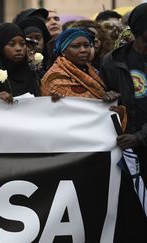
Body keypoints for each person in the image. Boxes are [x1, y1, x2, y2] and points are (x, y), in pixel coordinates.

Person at [100, 5, 147, 241]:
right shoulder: (113, 61)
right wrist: (105, 95)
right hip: (125, 153)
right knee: (131, 215)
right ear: (141, 29)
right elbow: (102, 100)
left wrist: (140, 136)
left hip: (138, 142)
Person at [41, 28, 117, 102]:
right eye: (76, 46)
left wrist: (110, 96)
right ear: (63, 51)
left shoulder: (92, 70)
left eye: (86, 45)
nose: (83, 50)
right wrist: (103, 99)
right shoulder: (56, 78)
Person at [0, 23, 40, 101]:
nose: (18, 48)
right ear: (0, 47)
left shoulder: (32, 73)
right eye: (12, 44)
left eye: (22, 44)